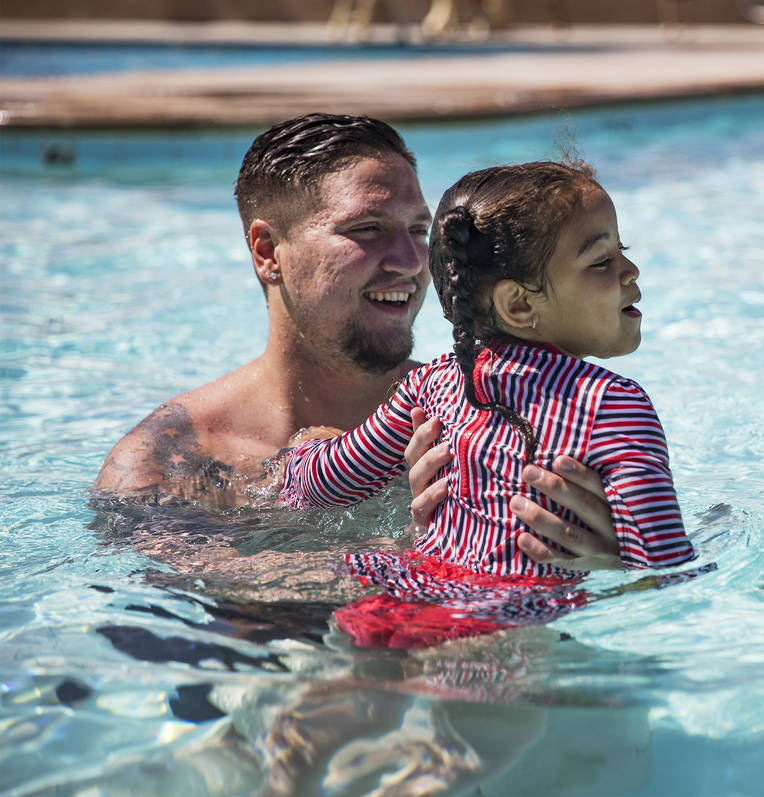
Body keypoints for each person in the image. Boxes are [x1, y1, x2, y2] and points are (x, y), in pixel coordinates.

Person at [93, 113, 618, 568]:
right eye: (367, 230)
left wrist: (607, 561)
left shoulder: (504, 408)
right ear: (268, 250)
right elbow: (196, 618)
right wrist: (419, 555)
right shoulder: (170, 464)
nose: (412, 264)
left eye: (418, 231)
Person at [280, 160, 698, 647]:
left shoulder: (434, 382)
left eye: (621, 251)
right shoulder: (613, 404)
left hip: (395, 596)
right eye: (601, 261)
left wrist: (300, 454)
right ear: (520, 305)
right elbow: (664, 566)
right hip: (503, 622)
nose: (630, 270)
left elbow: (328, 483)